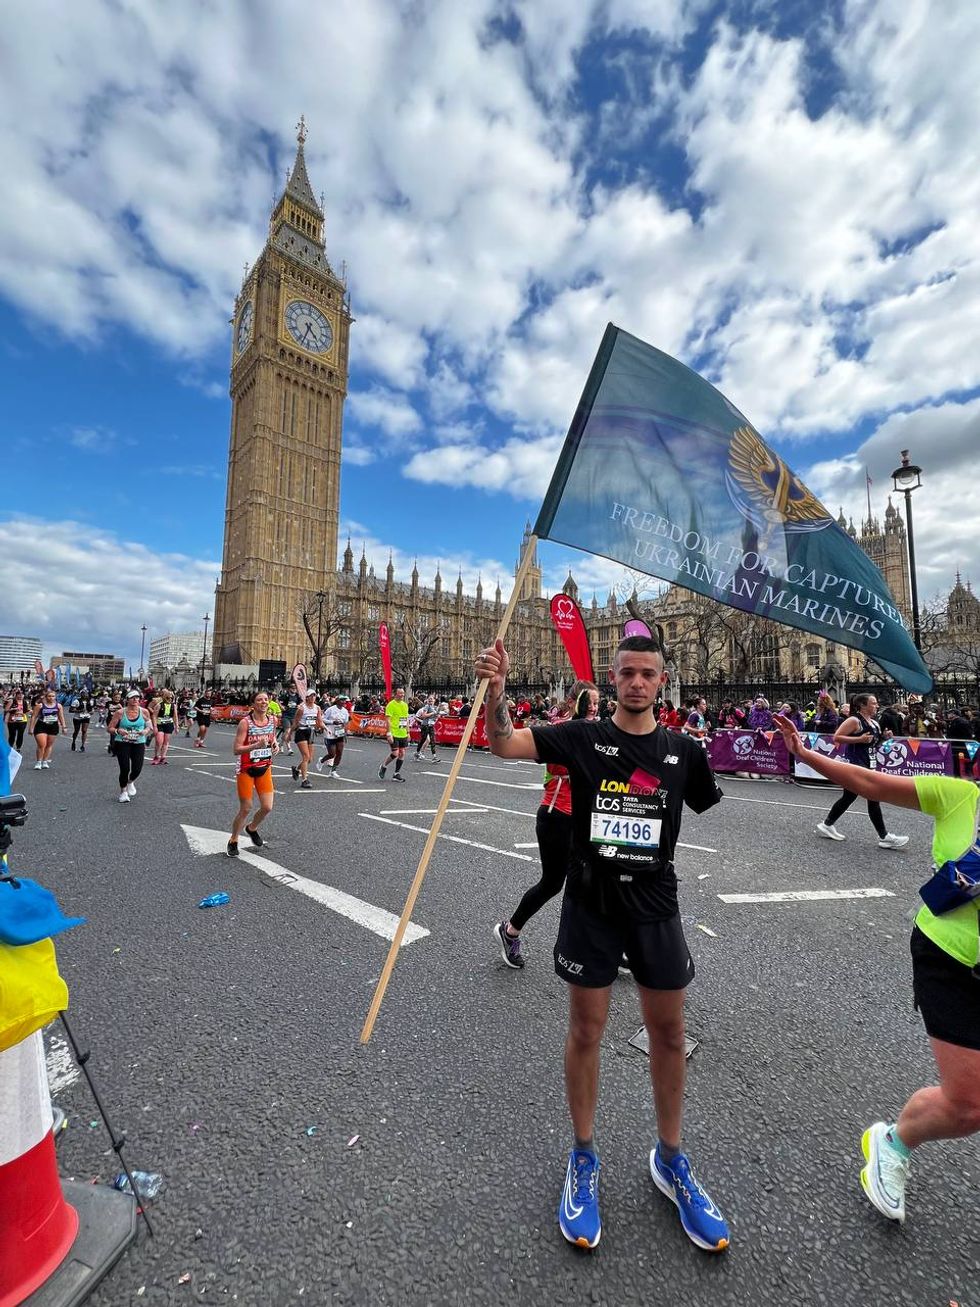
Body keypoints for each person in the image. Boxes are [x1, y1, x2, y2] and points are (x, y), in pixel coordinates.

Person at [476, 635, 729, 1254]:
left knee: (669, 1034)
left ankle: (671, 1159)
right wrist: (499, 697)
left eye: (648, 674)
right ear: (612, 678)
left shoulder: (682, 751)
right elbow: (503, 743)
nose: (637, 683)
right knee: (586, 1031)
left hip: (654, 904)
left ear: (662, 680)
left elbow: (704, 799)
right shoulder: (583, 736)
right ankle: (583, 1158)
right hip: (591, 903)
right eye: (627, 673)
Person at [773, 711, 980, 1224]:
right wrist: (803, 754)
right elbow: (869, 783)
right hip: (952, 958)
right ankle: (893, 1143)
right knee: (968, 1104)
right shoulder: (962, 799)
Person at [494, 681, 598, 970]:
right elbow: (513, 744)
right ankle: (510, 931)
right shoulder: (562, 730)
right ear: (575, 702)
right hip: (557, 815)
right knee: (552, 883)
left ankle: (613, 943)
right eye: (589, 703)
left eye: (598, 703)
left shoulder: (599, 732)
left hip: (586, 818)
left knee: (598, 879)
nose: (594, 708)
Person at [815, 693, 908, 849]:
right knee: (873, 797)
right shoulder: (854, 720)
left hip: (868, 763)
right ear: (863, 705)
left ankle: (827, 824)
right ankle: (884, 836)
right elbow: (837, 737)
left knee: (849, 797)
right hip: (855, 765)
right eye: (873, 703)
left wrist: (885, 737)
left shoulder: (874, 723)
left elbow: (873, 744)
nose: (877, 706)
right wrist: (858, 739)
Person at [227, 690, 279, 856]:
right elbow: (236, 749)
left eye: (266, 699)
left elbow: (272, 739)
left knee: (267, 807)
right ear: (253, 704)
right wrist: (255, 746)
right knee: (246, 808)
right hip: (246, 769)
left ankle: (252, 828)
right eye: (259, 700)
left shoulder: (272, 720)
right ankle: (233, 839)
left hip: (264, 767)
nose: (263, 702)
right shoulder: (245, 723)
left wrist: (275, 745)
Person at [109, 689, 151, 802]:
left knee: (137, 769)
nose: (135, 700)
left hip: (139, 743)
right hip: (122, 743)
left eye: (137, 697)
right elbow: (110, 728)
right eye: (132, 697)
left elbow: (149, 726)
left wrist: (145, 731)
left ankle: (130, 782)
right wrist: (118, 731)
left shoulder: (144, 712)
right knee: (125, 768)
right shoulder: (120, 713)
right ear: (127, 700)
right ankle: (123, 792)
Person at [291, 689, 322, 789]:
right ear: (307, 697)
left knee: (309, 759)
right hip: (301, 732)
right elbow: (296, 721)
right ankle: (305, 780)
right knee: (305, 756)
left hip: (310, 732)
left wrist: (324, 728)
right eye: (311, 696)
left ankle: (296, 769)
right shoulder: (301, 708)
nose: (313, 697)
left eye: (314, 696)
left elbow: (319, 721)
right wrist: (289, 733)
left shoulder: (317, 708)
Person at [29, 688, 66, 770]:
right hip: (41, 726)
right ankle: (39, 762)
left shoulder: (59, 706)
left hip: (53, 726)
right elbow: (34, 717)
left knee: (49, 745)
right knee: (42, 744)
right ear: (46, 697)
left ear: (55, 697)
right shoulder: (40, 706)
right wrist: (31, 728)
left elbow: (61, 717)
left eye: (53, 696)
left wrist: (64, 727)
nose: (51, 698)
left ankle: (45, 761)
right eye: (49, 696)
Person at [379, 687, 410, 782]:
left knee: (402, 753)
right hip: (394, 733)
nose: (402, 695)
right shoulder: (391, 705)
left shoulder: (405, 705)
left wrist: (408, 732)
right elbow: (387, 720)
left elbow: (406, 719)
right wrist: (389, 733)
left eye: (403, 693)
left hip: (403, 733)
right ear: (395, 694)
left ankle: (396, 774)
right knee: (395, 753)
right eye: (400, 693)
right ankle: (383, 766)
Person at [317, 695, 350, 776]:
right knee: (332, 754)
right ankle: (321, 761)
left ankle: (333, 771)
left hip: (340, 734)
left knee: (339, 752)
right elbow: (322, 719)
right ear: (337, 700)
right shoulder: (330, 709)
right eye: (342, 700)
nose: (344, 702)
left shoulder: (345, 711)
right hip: (330, 734)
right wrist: (332, 722)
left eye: (344, 700)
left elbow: (346, 722)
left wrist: (345, 732)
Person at [150, 689, 177, 764]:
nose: (170, 699)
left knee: (166, 741)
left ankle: (163, 757)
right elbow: (154, 716)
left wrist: (176, 726)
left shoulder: (173, 706)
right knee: (159, 741)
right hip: (160, 724)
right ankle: (156, 756)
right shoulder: (159, 705)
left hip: (169, 724)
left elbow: (175, 716)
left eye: (171, 698)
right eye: (168, 698)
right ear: (164, 697)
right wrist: (155, 726)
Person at [413, 694, 441, 761]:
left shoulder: (435, 708)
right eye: (429, 699)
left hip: (431, 726)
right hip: (425, 726)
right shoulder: (426, 707)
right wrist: (432, 713)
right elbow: (423, 716)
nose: (431, 700)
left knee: (433, 740)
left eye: (432, 699)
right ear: (427, 700)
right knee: (423, 740)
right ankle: (417, 753)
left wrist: (436, 716)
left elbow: (435, 717)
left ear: (434, 700)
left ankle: (434, 757)